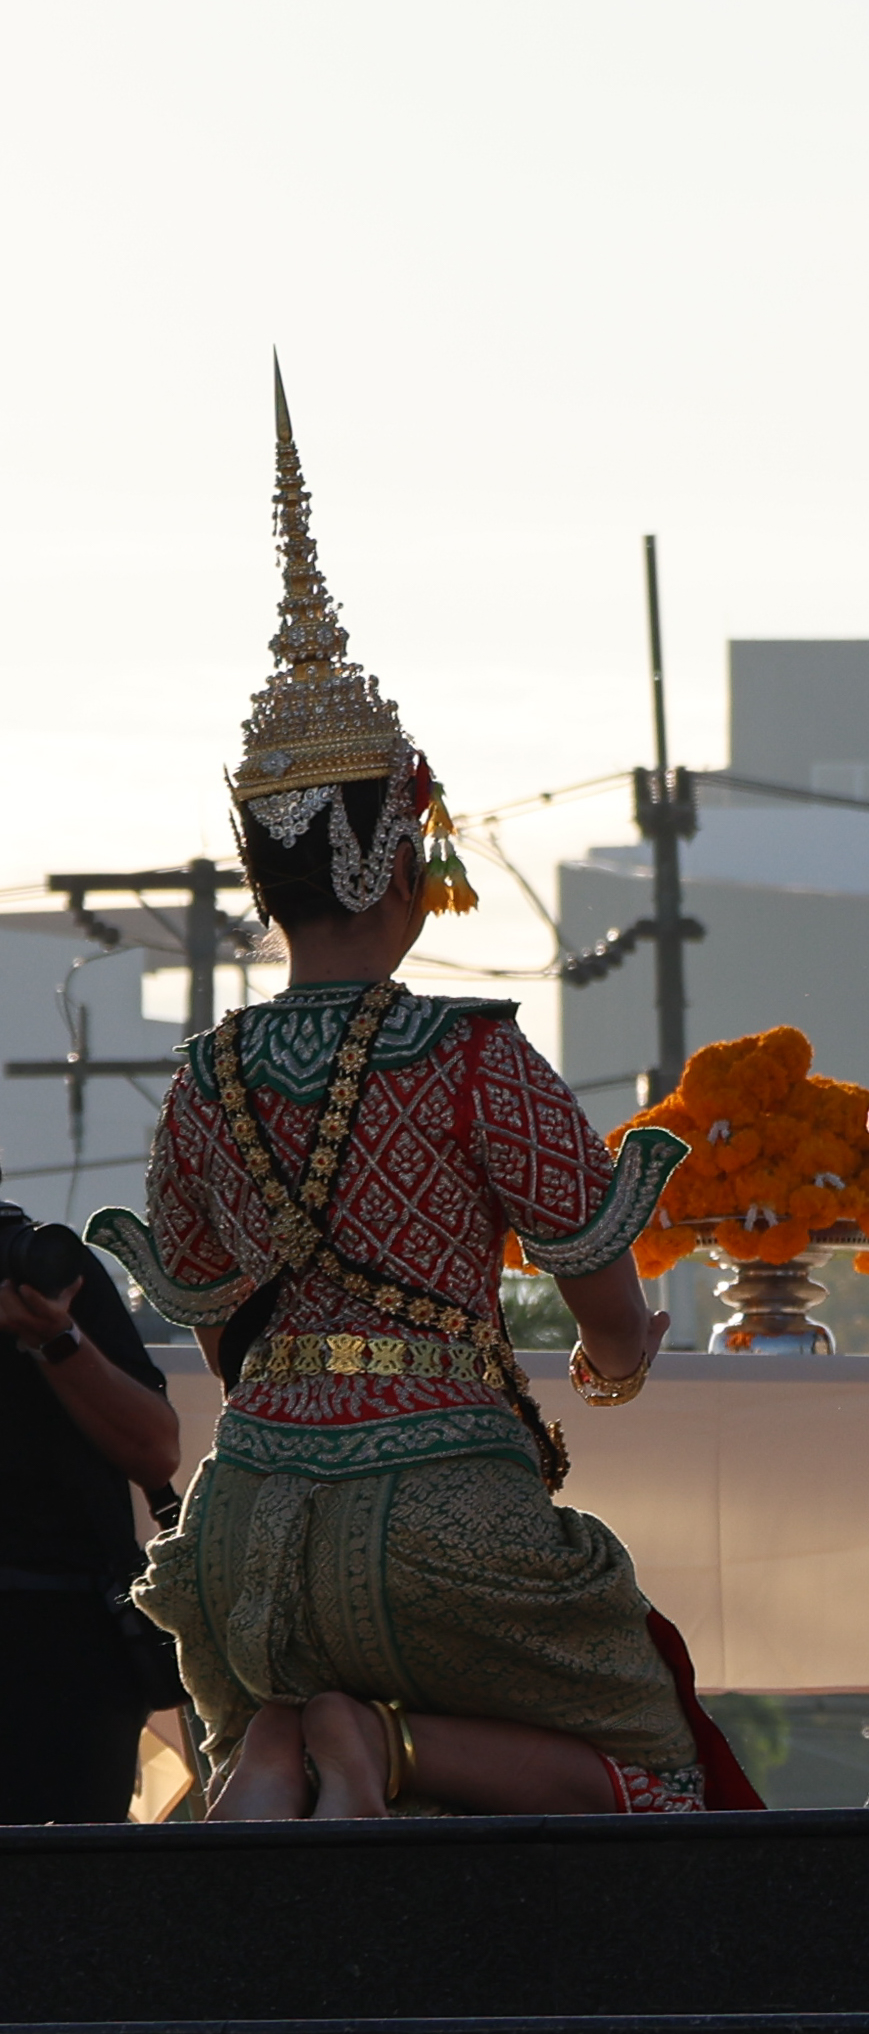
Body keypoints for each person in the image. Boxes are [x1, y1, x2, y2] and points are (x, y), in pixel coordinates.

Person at [89, 371, 752, 1819]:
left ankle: (283, 1756)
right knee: (660, 1768)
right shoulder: (469, 1052)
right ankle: (378, 1749)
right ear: (401, 858)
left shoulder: (204, 1080)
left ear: (261, 874)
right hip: (444, 1518)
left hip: (249, 1531)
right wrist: (621, 1357)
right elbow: (602, 1294)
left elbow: (216, 1322)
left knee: (263, 1719)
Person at [0, 1206, 180, 1824]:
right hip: (63, 1639)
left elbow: (155, 1452)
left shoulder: (38, 1267)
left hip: (62, 1639)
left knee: (70, 1875)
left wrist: (56, 1340)